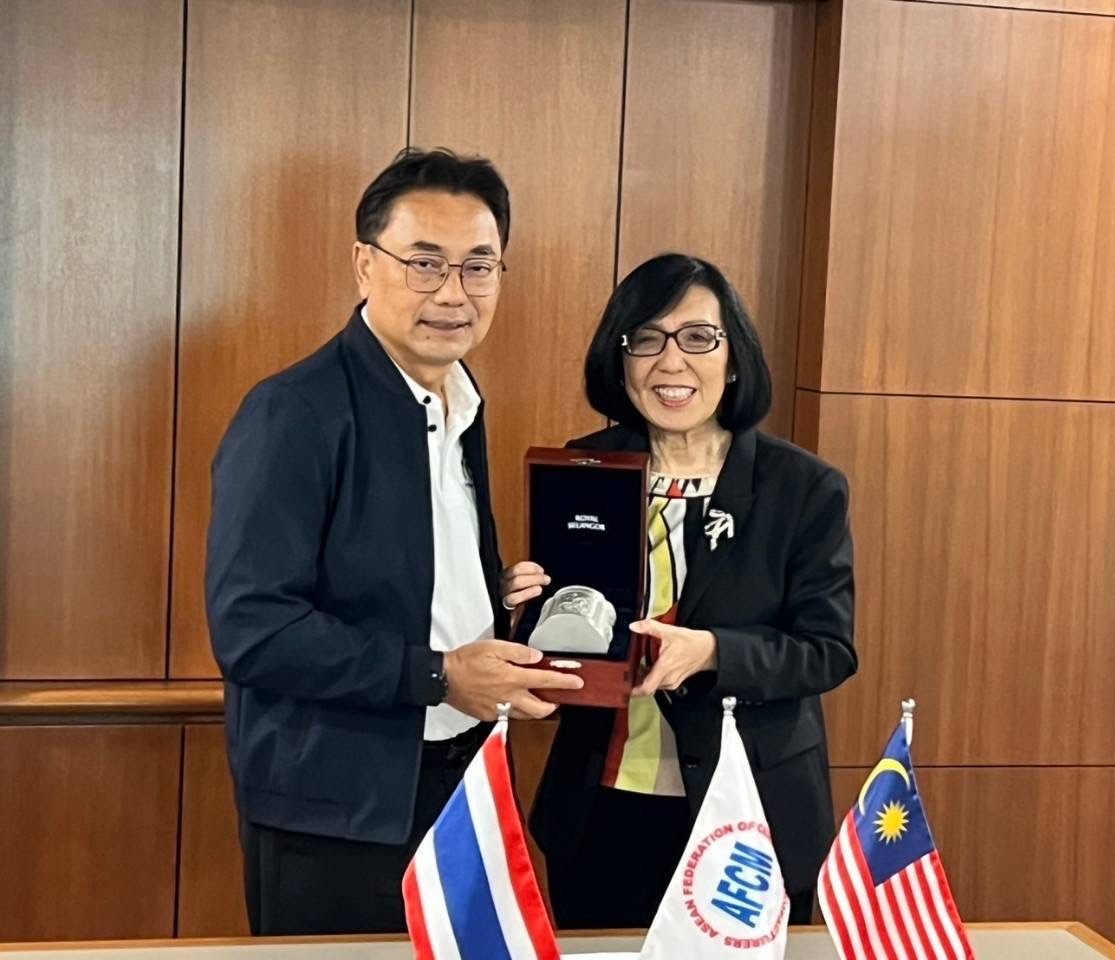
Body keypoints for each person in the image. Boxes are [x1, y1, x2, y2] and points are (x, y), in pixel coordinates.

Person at [205, 147, 580, 936]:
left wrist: (485, 594)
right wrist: (440, 674)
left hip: (462, 780)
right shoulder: (293, 412)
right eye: (425, 263)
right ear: (364, 264)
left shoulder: (459, 401)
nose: (453, 292)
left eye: (479, 266)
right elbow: (252, 628)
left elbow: (390, 572)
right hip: (335, 809)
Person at [515, 253, 857, 929]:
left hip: (747, 809)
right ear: (620, 361)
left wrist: (712, 651)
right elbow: (563, 632)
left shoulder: (802, 487)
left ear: (734, 359)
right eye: (646, 339)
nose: (671, 361)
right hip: (601, 805)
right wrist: (521, 607)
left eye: (698, 338)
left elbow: (827, 650)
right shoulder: (583, 467)